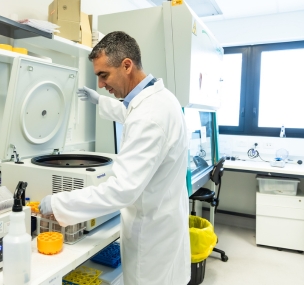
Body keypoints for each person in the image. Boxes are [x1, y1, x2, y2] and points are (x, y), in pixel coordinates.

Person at [39, 31, 191, 284]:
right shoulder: (160, 98)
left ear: (127, 65)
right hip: (165, 221)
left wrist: (59, 204)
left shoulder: (148, 116)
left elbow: (122, 190)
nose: (100, 84)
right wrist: (100, 101)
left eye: (103, 75)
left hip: (151, 234)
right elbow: (130, 113)